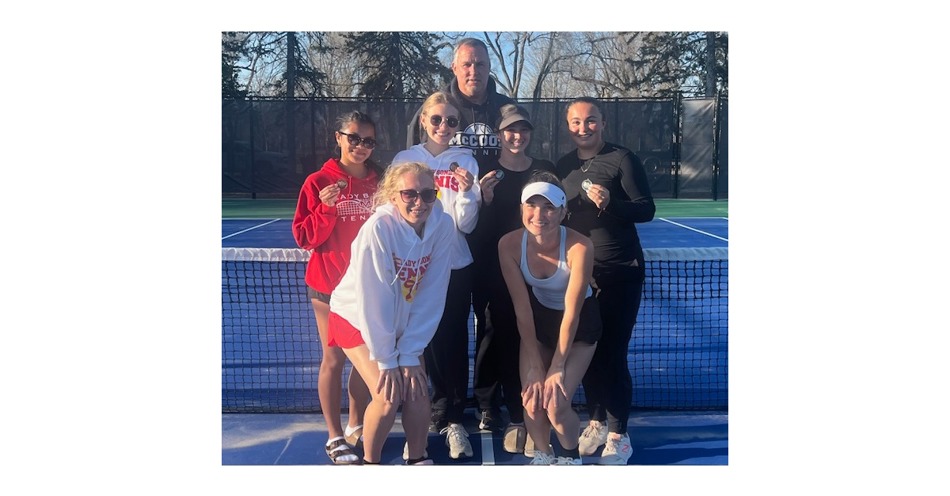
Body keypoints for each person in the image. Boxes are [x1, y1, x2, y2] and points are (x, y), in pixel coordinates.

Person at [328, 161, 456, 465]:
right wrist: (387, 359)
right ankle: (371, 464)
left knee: (416, 390)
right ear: (393, 196)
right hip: (356, 316)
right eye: (409, 194)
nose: (419, 202)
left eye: (427, 194)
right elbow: (374, 297)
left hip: (402, 321)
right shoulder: (378, 228)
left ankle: (417, 458)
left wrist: (410, 353)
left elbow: (432, 292)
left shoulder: (443, 225)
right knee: (387, 398)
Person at [555, 97, 656, 465]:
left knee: (612, 352)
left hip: (620, 271)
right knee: (587, 352)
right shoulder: (563, 166)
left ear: (603, 123)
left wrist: (611, 202)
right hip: (581, 275)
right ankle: (596, 420)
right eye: (576, 122)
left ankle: (619, 433)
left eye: (591, 121)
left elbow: (646, 209)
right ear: (568, 126)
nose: (584, 128)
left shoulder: (622, 159)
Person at [392, 91, 480, 460]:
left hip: (453, 265)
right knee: (414, 341)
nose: (444, 127)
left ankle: (453, 417)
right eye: (437, 119)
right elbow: (394, 209)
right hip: (413, 265)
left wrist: (465, 194)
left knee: (451, 342)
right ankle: (422, 409)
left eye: (452, 121)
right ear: (424, 120)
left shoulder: (466, 160)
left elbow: (466, 223)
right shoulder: (404, 159)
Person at [291, 110, 381, 465]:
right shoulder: (318, 182)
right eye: (354, 138)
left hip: (368, 288)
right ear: (339, 137)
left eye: (368, 141)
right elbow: (303, 237)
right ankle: (334, 435)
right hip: (329, 286)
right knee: (334, 359)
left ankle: (356, 423)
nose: (360, 146)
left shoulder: (378, 182)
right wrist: (326, 208)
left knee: (365, 360)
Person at [497, 173, 601, 465]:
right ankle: (543, 455)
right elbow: (523, 308)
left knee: (556, 403)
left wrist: (556, 366)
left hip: (579, 327)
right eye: (531, 205)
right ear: (521, 209)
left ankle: (570, 457)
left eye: (549, 207)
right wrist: (533, 365)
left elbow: (573, 311)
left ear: (563, 212)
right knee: (531, 401)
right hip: (539, 323)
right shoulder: (508, 245)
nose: (538, 215)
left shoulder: (580, 247)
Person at [469, 104, 556, 453]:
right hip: (492, 269)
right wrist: (485, 199)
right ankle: (488, 406)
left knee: (528, 334)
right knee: (491, 332)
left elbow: (556, 217)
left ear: (530, 134)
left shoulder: (544, 171)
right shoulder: (486, 172)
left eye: (523, 130)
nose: (517, 136)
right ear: (500, 134)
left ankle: (526, 400)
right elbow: (476, 229)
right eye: (509, 130)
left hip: (536, 269)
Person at [407, 37, 514, 170]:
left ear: (489, 67)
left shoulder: (507, 109)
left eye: (480, 64)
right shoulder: (434, 109)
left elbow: (521, 155)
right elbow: (413, 163)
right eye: (466, 65)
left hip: (500, 190)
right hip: (447, 190)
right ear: (454, 68)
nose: (474, 72)